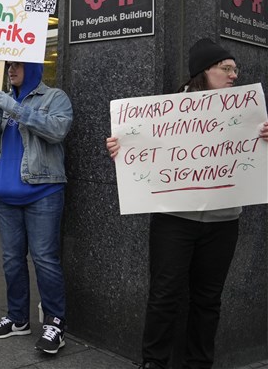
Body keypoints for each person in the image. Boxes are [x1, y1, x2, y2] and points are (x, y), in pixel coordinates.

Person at [106, 39, 268, 369]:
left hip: (223, 221)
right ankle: (154, 362)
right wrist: (121, 149)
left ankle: (199, 363)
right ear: (203, 71)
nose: (234, 75)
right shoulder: (166, 114)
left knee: (208, 299)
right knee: (164, 295)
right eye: (226, 68)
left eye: (236, 69)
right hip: (174, 220)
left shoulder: (247, 115)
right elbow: (141, 153)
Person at [0, 61, 73, 354]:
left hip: (43, 193)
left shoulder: (54, 97)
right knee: (12, 260)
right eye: (9, 65)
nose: (11, 70)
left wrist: (16, 110)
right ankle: (18, 318)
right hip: (5, 198)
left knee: (45, 259)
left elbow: (58, 130)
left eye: (18, 65)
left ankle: (55, 324)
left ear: (32, 67)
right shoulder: (0, 98)